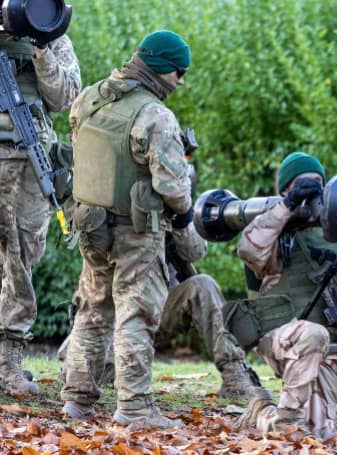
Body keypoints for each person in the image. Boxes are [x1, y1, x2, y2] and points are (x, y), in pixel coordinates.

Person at [60, 30, 194, 429]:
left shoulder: (89, 97)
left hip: (90, 225)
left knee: (92, 308)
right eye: (179, 72)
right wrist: (185, 213)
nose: (181, 81)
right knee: (136, 313)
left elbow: (76, 146)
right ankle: (135, 407)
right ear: (160, 69)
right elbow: (173, 187)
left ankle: (76, 400)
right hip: (137, 231)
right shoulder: (154, 114)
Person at [232, 151, 337, 439]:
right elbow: (248, 249)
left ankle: (265, 413)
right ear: (285, 189)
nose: (312, 189)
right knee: (311, 335)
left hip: (331, 350)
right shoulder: (276, 231)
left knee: (314, 434)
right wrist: (287, 206)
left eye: (318, 182)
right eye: (301, 184)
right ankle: (283, 419)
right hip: (283, 338)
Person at [57, 218, 256, 400]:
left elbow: (195, 251)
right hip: (113, 321)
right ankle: (90, 374)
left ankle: (234, 375)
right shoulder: (109, 204)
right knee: (85, 372)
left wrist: (179, 218)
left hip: (156, 308)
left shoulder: (169, 202)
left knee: (203, 285)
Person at [0, 30, 81, 395]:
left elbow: (65, 98)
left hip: (28, 163)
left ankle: (6, 363)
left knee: (20, 259)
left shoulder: (47, 33)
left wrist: (41, 52)